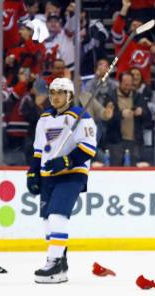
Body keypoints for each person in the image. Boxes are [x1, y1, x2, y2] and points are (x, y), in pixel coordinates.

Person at [26, 78, 97, 283]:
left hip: (72, 174)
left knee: (58, 215)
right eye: (52, 92)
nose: (55, 96)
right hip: (49, 175)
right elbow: (39, 150)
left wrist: (67, 160)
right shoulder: (45, 118)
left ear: (69, 95)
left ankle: (53, 262)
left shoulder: (81, 116)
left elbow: (89, 148)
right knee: (48, 222)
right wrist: (33, 171)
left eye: (60, 92)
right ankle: (61, 265)